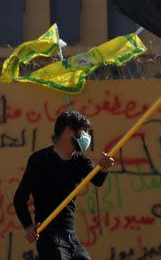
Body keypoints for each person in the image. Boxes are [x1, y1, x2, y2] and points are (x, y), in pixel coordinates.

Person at [14, 110, 115, 260]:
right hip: (49, 236)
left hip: (71, 237)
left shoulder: (81, 162)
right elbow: (20, 198)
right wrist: (28, 227)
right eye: (84, 131)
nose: (87, 137)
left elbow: (98, 180)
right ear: (69, 131)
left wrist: (104, 167)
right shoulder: (39, 160)